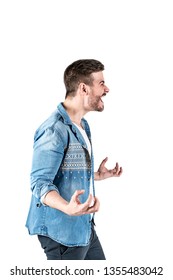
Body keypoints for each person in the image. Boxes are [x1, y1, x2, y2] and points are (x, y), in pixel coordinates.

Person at [25, 59, 123, 260]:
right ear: (84, 88)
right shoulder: (53, 130)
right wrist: (66, 208)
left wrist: (97, 175)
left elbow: (66, 172)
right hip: (61, 233)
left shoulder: (82, 125)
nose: (107, 89)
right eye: (101, 83)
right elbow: (39, 183)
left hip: (84, 226)